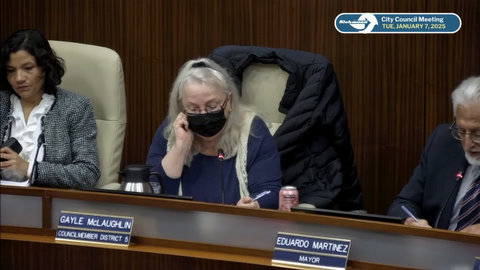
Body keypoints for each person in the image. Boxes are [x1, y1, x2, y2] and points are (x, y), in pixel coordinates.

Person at [146, 58, 282, 209]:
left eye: (212, 106)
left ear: (228, 101)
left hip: (236, 227)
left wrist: (255, 204)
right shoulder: (171, 131)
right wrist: (180, 147)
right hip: (181, 228)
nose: (204, 114)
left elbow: (270, 190)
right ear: (181, 108)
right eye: (193, 109)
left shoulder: (252, 129)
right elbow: (154, 192)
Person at [0, 29, 100, 188]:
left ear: (44, 68)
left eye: (28, 68)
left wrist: (30, 169)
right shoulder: (2, 103)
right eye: (11, 71)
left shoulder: (75, 107)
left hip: (49, 203)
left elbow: (88, 173)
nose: (19, 78)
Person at [388, 76, 480, 235]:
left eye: (477, 134)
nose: (467, 143)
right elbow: (403, 204)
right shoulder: (443, 143)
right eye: (461, 131)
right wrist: (410, 221)